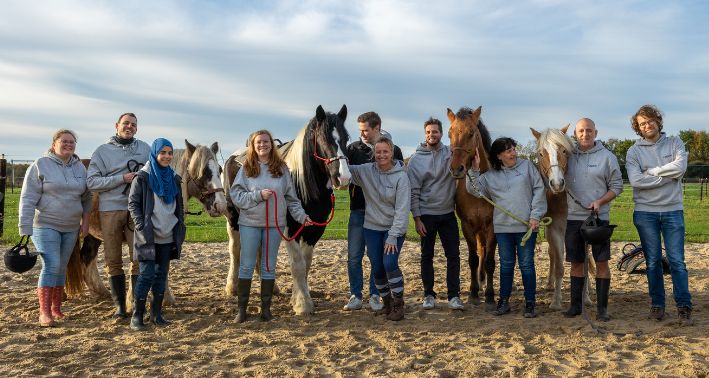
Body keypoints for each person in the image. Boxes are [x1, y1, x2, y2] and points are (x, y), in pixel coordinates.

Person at [230, 130, 312, 323]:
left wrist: (302, 217)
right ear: (253, 145)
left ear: (271, 144)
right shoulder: (246, 168)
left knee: (268, 266)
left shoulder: (282, 169)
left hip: (274, 225)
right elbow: (236, 196)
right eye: (258, 142)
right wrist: (257, 196)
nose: (262, 145)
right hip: (250, 224)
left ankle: (265, 310)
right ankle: (242, 310)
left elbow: (292, 199)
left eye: (266, 142)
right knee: (247, 265)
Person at [626, 104, 693, 325]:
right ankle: (658, 305)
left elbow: (680, 168)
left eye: (650, 120)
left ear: (658, 120)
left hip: (673, 210)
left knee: (676, 261)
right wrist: (667, 175)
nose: (647, 125)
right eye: (642, 123)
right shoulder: (634, 151)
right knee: (653, 261)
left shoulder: (675, 142)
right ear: (638, 127)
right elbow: (636, 181)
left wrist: (652, 172)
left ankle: (683, 305)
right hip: (646, 213)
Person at [466, 137, 546, 318]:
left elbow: (539, 190)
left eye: (514, 149)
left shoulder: (527, 167)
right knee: (507, 265)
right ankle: (503, 301)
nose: (513, 153)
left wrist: (535, 215)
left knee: (526, 265)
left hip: (526, 227)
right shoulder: (491, 176)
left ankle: (530, 303)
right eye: (509, 151)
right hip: (503, 229)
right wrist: (475, 169)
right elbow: (474, 189)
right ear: (499, 155)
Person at [19, 129, 91, 326]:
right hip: (45, 224)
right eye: (64, 141)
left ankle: (56, 308)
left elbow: (87, 197)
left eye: (72, 142)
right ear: (54, 144)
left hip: (71, 226)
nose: (68, 145)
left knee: (61, 266)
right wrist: (24, 227)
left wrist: (85, 222)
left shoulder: (80, 168)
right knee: (52, 264)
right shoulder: (40, 165)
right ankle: (44, 312)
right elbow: (27, 198)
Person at [87, 113, 150, 319]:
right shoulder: (102, 152)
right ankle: (120, 308)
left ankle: (133, 303)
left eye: (133, 125)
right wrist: (121, 178)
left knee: (138, 258)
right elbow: (93, 182)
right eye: (125, 124)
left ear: (137, 129)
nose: (129, 127)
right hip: (111, 209)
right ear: (117, 126)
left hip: (137, 210)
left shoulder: (145, 149)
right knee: (112, 259)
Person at [563, 118, 623, 321]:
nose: (584, 135)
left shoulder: (608, 157)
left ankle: (602, 309)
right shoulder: (568, 157)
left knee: (601, 262)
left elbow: (617, 186)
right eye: (580, 131)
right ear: (575, 135)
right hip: (573, 217)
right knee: (576, 262)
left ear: (595, 133)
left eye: (589, 131)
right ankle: (575, 306)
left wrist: (600, 201)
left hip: (599, 218)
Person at [344, 111, 404, 312]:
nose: (362, 134)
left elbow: (400, 180)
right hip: (360, 210)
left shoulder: (394, 151)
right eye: (359, 130)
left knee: (377, 258)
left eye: (365, 130)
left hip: (386, 214)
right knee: (354, 256)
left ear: (377, 127)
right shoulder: (352, 149)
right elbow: (345, 172)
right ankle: (356, 294)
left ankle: (376, 294)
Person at [127, 138, 186, 331]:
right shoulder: (142, 178)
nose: (167, 156)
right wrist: (141, 224)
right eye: (163, 153)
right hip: (149, 234)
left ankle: (156, 314)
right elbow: (133, 204)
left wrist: (180, 223)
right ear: (155, 154)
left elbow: (180, 204)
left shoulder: (174, 178)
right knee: (146, 275)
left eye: (170, 153)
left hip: (168, 234)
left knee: (162, 275)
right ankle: (137, 316)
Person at [407, 117, 463, 310]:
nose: (432, 135)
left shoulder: (450, 153)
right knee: (426, 256)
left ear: (441, 133)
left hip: (447, 214)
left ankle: (454, 295)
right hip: (427, 215)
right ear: (425, 134)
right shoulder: (416, 160)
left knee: (453, 255)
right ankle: (428, 294)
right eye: (429, 132)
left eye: (436, 132)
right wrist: (417, 218)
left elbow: (462, 167)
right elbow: (413, 191)